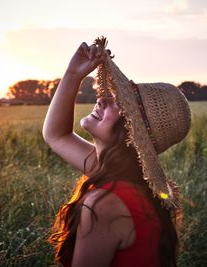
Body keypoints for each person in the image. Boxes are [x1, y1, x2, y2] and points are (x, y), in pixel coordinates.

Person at [42, 37, 191, 267]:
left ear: (130, 133)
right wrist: (73, 74)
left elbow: (56, 136)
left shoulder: (106, 203)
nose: (102, 99)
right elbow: (57, 135)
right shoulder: (121, 176)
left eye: (119, 105)